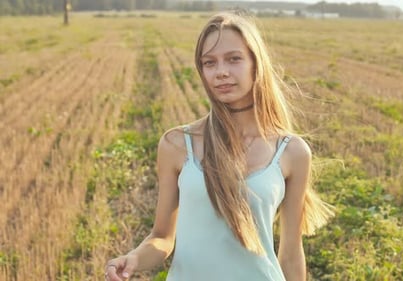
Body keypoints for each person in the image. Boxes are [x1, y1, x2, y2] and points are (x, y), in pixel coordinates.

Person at [104, 11, 333, 281]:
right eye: (209, 63)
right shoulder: (177, 144)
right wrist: (135, 258)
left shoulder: (292, 151)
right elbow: (162, 238)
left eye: (234, 59)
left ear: (256, 64)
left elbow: (291, 254)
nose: (221, 72)